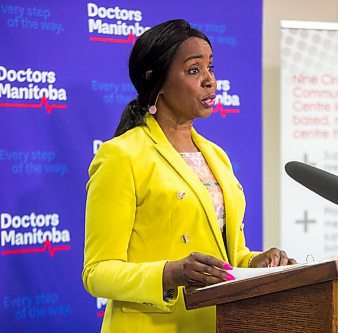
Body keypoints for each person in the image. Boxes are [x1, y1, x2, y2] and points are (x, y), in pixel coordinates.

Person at [82, 19, 296, 333]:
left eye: (210, 67)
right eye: (194, 70)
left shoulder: (216, 155)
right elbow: (97, 272)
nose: (210, 80)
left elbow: (228, 254)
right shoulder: (122, 155)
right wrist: (170, 273)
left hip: (218, 322)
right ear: (156, 80)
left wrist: (254, 262)